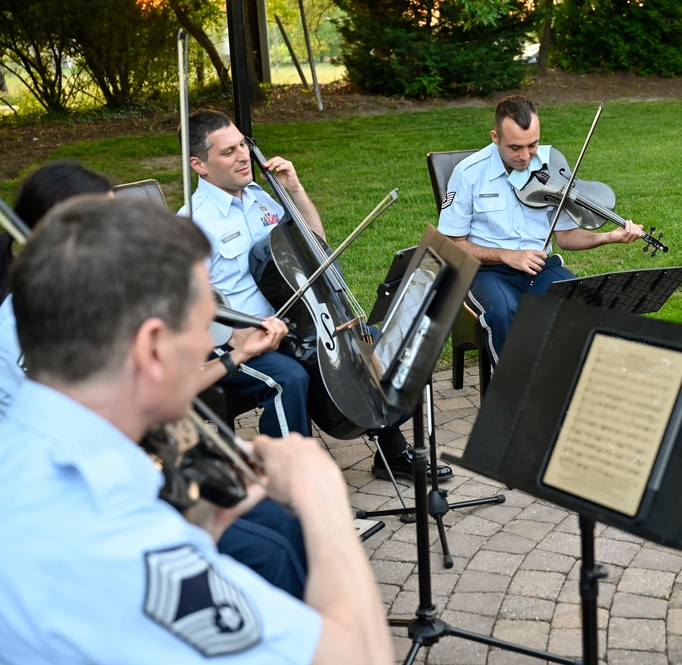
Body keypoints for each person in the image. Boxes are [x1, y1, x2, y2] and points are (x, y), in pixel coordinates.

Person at [0, 196, 393, 663]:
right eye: (205, 321)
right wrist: (322, 499)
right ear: (153, 348)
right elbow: (357, 657)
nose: (209, 343)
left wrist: (201, 532)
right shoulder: (128, 549)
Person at [0, 160, 310, 599]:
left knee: (279, 520)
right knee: (270, 551)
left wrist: (235, 353)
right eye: (104, 229)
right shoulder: (22, 330)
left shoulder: (103, 302)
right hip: (87, 499)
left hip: (142, 467)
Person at [181, 109, 451, 482]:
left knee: (380, 344)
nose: (244, 155)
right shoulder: (194, 221)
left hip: (296, 321)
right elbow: (185, 303)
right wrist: (234, 335)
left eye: (243, 144)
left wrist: (294, 190)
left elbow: (315, 248)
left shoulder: (261, 197)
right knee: (290, 379)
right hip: (240, 338)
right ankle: (291, 484)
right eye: (228, 152)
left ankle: (393, 451)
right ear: (200, 165)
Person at [437, 95, 644, 365]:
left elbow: (566, 237)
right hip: (487, 272)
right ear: (495, 137)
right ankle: (518, 396)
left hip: (540, 267)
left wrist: (608, 237)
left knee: (580, 300)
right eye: (515, 147)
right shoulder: (468, 173)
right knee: (504, 312)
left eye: (532, 144)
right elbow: (452, 244)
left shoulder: (550, 165)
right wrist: (507, 255)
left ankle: (570, 387)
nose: (525, 157)